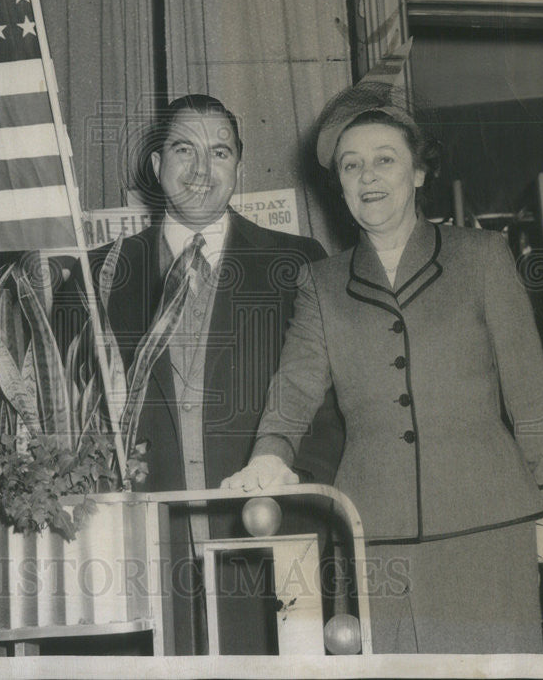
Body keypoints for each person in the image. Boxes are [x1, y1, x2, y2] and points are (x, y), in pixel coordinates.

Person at [221, 83, 543, 654]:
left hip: (488, 527)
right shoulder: (321, 283)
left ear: (417, 173)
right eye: (351, 165)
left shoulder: (481, 258)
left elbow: (530, 394)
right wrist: (270, 452)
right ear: (338, 184)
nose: (368, 177)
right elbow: (295, 386)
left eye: (385, 160)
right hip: (377, 536)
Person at [53, 94, 341, 654]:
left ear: (239, 166)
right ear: (156, 166)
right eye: (184, 149)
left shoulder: (298, 262)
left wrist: (297, 502)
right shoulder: (94, 278)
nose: (202, 170)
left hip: (270, 544)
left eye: (220, 152)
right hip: (135, 559)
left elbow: (328, 409)